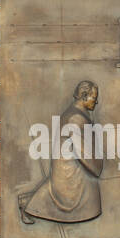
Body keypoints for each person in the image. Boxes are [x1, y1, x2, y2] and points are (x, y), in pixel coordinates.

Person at [18, 80, 103, 225]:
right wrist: (97, 167)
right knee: (89, 199)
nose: (95, 103)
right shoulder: (76, 118)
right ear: (83, 96)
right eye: (93, 99)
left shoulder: (76, 113)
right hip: (70, 172)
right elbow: (85, 154)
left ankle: (27, 202)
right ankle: (27, 204)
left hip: (69, 165)